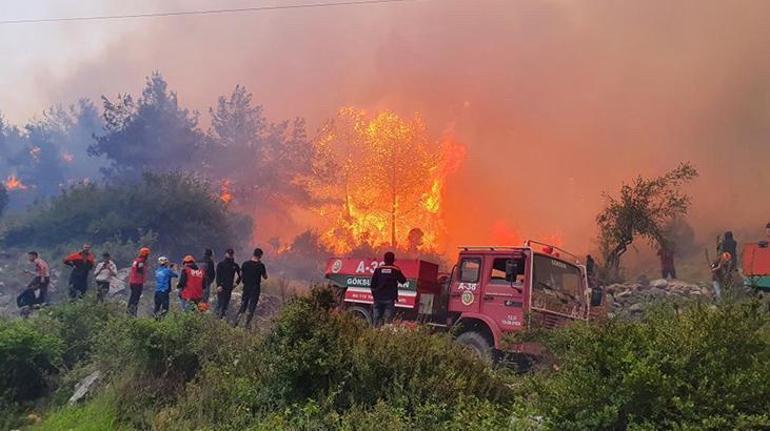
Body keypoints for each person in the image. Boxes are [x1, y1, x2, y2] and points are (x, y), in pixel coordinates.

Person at [369, 251, 406, 328]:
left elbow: (372, 285)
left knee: (376, 319)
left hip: (378, 298)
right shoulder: (395, 269)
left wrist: (375, 295)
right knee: (388, 322)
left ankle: (374, 334)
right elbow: (403, 280)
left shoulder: (378, 269)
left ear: (384, 260)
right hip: (389, 299)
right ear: (393, 260)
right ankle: (384, 336)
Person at [235, 248, 267, 328]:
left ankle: (236, 322)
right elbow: (265, 277)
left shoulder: (245, 264)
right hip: (255, 288)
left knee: (243, 305)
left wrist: (236, 283)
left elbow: (241, 275)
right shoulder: (261, 265)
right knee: (252, 307)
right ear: (260, 256)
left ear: (253, 254)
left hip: (246, 287)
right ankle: (247, 325)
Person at [215, 248, 241, 319]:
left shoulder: (235, 265)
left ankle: (222, 319)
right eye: (229, 254)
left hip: (229, 287)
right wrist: (218, 285)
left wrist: (236, 283)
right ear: (225, 254)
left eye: (231, 254)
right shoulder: (221, 264)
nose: (230, 255)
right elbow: (218, 276)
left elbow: (241, 275)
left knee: (225, 305)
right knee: (219, 304)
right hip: (221, 287)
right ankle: (214, 320)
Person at [127, 247, 151, 316]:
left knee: (132, 297)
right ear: (146, 255)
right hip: (137, 283)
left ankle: (129, 311)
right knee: (135, 299)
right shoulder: (141, 262)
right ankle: (132, 313)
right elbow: (140, 271)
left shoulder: (136, 260)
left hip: (132, 282)